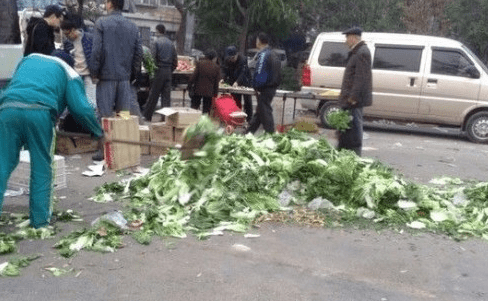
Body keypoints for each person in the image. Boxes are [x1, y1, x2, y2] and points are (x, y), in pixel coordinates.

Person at [0, 50, 103, 229]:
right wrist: (98, 132)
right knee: (42, 165)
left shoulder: (27, 59)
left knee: (2, 163)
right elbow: (81, 109)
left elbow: (14, 86)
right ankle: (40, 221)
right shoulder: (69, 73)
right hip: (40, 112)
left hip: (8, 110)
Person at [90, 0, 143, 160]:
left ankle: (103, 151)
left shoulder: (102, 23)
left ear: (110, 4)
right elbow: (138, 53)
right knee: (124, 115)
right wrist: (133, 75)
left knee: (105, 116)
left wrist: (94, 72)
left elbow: (96, 51)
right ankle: (122, 149)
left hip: (106, 77)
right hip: (124, 78)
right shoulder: (133, 26)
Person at [337, 27, 372, 156]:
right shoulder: (357, 51)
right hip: (349, 98)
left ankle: (355, 155)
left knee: (355, 128)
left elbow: (361, 78)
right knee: (347, 128)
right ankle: (344, 152)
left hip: (354, 101)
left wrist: (353, 97)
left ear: (352, 38)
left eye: (347, 38)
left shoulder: (362, 52)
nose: (346, 41)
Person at [246, 32, 281, 134]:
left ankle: (271, 135)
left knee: (265, 111)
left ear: (259, 41)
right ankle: (248, 133)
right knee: (260, 111)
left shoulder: (264, 54)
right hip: (272, 86)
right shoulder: (273, 53)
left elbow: (261, 72)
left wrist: (256, 85)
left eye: (257, 40)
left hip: (265, 87)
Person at [142, 24, 178, 122]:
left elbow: (152, 59)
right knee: (166, 97)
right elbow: (175, 61)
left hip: (159, 71)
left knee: (153, 95)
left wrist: (151, 73)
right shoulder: (171, 44)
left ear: (158, 31)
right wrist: (170, 70)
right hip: (168, 72)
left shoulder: (156, 42)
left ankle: (147, 116)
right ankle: (165, 119)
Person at [61, 17, 96, 107]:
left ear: (73, 30)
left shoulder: (89, 38)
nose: (67, 36)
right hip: (75, 75)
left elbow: (96, 56)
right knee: (75, 102)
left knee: (91, 102)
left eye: (67, 33)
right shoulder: (68, 43)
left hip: (89, 75)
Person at [221, 45, 253, 122]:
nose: (231, 60)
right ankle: (237, 118)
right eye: (230, 58)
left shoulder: (243, 59)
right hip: (233, 81)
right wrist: (223, 79)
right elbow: (226, 71)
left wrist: (237, 82)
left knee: (247, 101)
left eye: (233, 58)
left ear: (237, 55)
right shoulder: (228, 61)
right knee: (236, 99)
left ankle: (249, 119)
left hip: (245, 81)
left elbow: (243, 72)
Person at [188, 49, 221, 114]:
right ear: (213, 57)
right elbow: (216, 83)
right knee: (206, 110)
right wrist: (215, 94)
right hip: (209, 92)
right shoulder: (216, 67)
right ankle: (204, 122)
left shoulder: (200, 63)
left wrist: (189, 86)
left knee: (194, 107)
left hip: (197, 90)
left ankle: (192, 120)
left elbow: (193, 77)